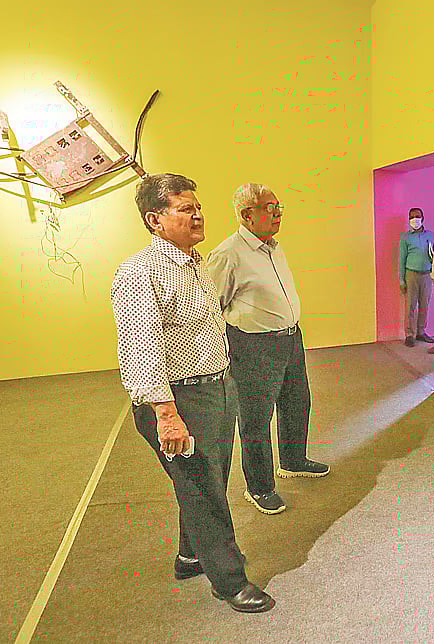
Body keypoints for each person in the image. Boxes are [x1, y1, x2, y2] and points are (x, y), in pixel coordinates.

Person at [110, 173, 274, 613]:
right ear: (155, 219)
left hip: (216, 390)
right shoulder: (140, 272)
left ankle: (190, 556)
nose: (198, 215)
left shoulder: (195, 264)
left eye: (198, 207)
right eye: (185, 209)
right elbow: (140, 347)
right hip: (177, 401)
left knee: (207, 482)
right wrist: (166, 414)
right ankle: (229, 581)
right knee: (204, 490)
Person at [205, 183, 329, 517]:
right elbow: (213, 309)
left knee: (296, 402)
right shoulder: (228, 254)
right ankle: (259, 487)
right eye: (269, 208)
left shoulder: (274, 247)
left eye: (278, 207)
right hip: (253, 346)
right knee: (256, 419)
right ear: (247, 215)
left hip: (290, 339)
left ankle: (293, 460)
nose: (277, 214)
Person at [399, 207, 434, 347]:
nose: (415, 219)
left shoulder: (431, 236)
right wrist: (402, 280)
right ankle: (409, 334)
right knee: (410, 305)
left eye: (417, 216)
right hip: (411, 274)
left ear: (423, 218)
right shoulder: (406, 238)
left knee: (424, 305)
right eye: (412, 217)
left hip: (427, 275)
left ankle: (421, 332)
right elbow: (402, 259)